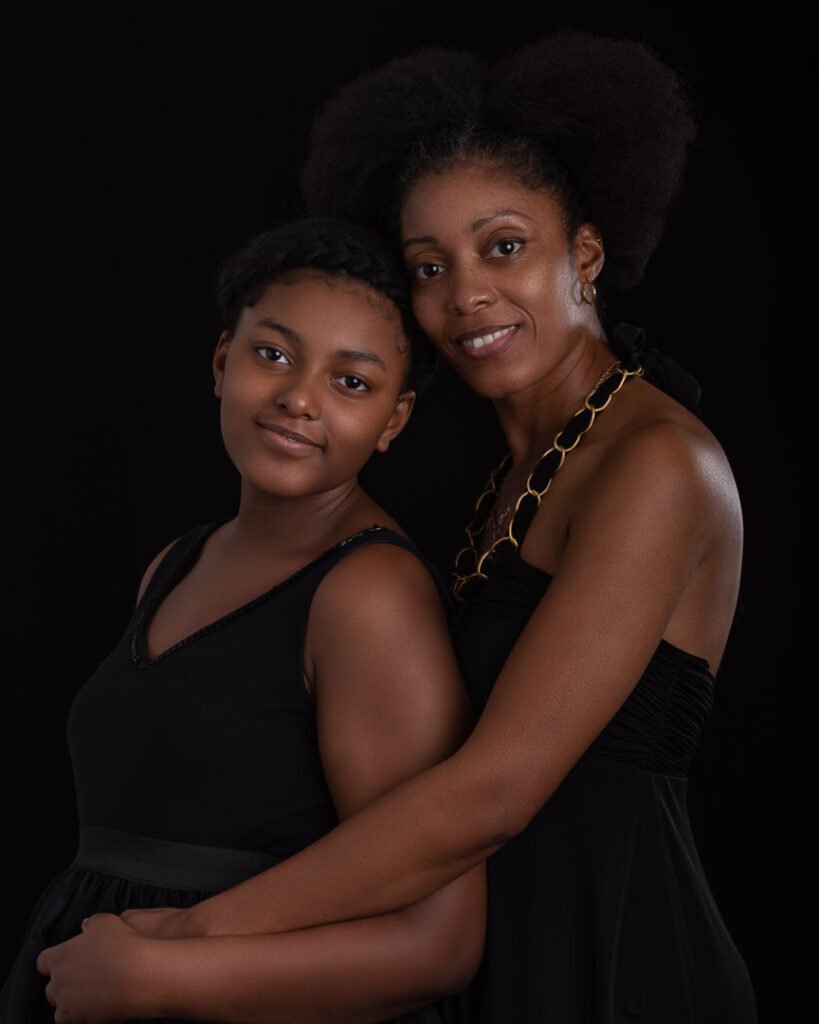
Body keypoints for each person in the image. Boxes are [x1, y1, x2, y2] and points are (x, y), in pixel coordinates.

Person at [36, 31, 757, 1024]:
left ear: (585, 251)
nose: (465, 294)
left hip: (615, 954)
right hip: (500, 955)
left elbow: (494, 792)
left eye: (503, 245)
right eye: (430, 264)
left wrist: (189, 938)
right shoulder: (510, 476)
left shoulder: (658, 462)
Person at [5, 218, 486, 1023]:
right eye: (274, 355)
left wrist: (160, 979)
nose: (299, 397)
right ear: (223, 361)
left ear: (393, 421)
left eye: (352, 382)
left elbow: (438, 943)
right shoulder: (177, 562)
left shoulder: (368, 592)